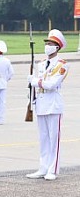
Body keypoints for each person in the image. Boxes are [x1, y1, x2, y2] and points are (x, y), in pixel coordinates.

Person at [27, 29, 69, 181]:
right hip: (42, 103)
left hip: (53, 104)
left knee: (54, 139)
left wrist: (36, 81)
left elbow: (52, 84)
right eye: (46, 43)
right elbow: (38, 85)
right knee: (43, 138)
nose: (47, 46)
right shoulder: (41, 64)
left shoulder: (62, 65)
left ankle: (53, 169)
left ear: (57, 47)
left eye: (50, 44)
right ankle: (43, 167)